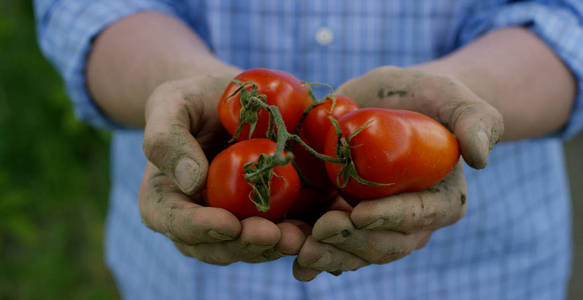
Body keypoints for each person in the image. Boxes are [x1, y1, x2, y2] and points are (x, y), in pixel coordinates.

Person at [34, 0, 582, 299]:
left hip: (479, 276)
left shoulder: (281, 142)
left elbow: (568, 17)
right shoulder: (280, 144)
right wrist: (180, 80)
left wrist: (462, 95)